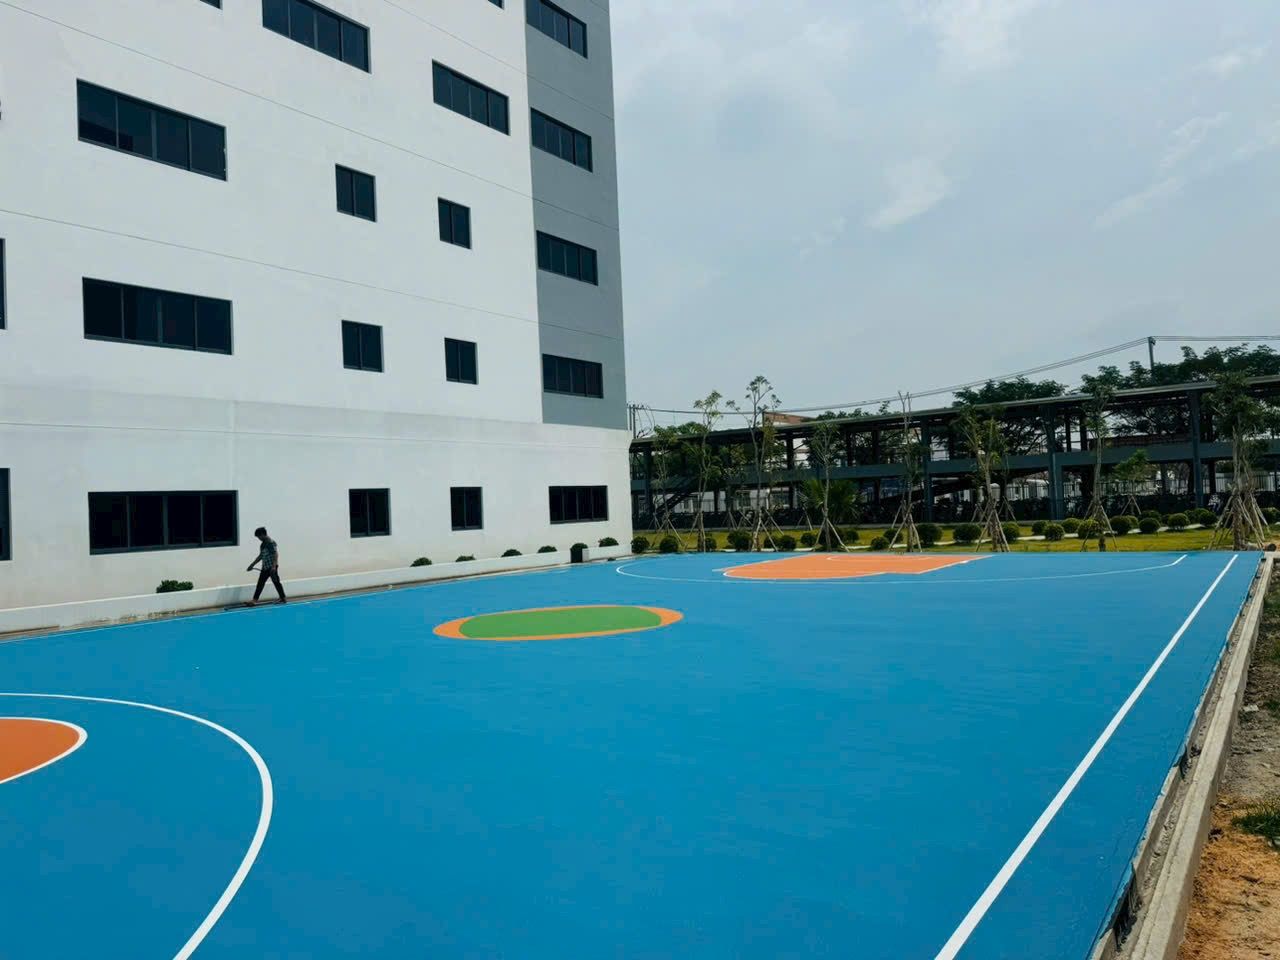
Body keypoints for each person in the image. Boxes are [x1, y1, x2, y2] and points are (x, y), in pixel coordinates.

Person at [246, 526, 286, 605]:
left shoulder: (270, 542)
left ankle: (283, 598)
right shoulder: (263, 544)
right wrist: (252, 565)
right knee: (261, 583)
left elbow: (275, 554)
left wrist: (273, 567)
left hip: (271, 568)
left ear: (263, 534)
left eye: (259, 537)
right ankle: (255, 600)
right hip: (265, 567)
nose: (259, 538)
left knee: (276, 582)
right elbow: (261, 556)